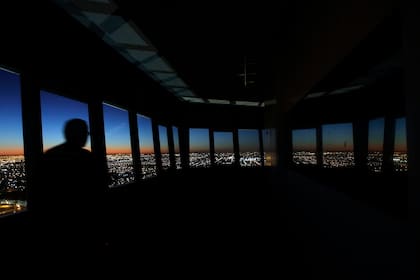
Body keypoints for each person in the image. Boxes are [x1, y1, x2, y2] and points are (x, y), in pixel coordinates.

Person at [33, 118, 108, 264]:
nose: (86, 136)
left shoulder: (50, 156)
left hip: (56, 227)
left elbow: (39, 191)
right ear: (78, 134)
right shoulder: (89, 158)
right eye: (84, 133)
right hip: (85, 224)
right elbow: (100, 188)